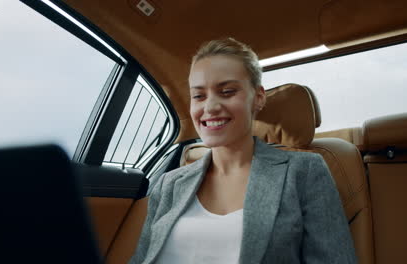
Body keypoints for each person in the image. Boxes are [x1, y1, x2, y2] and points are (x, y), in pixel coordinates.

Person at [129, 38, 357, 264]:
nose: (209, 107)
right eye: (199, 96)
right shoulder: (169, 184)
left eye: (227, 91)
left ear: (258, 97)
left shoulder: (305, 171)